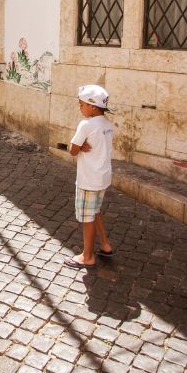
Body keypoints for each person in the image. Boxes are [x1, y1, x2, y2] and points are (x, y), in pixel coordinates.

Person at [64, 84, 115, 269]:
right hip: (103, 178)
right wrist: (83, 145)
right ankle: (105, 245)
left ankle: (87, 256)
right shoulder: (108, 125)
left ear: (92, 106)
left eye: (82, 104)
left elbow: (72, 150)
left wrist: (79, 145)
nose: (80, 107)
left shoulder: (86, 125)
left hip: (88, 180)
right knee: (95, 211)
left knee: (87, 218)